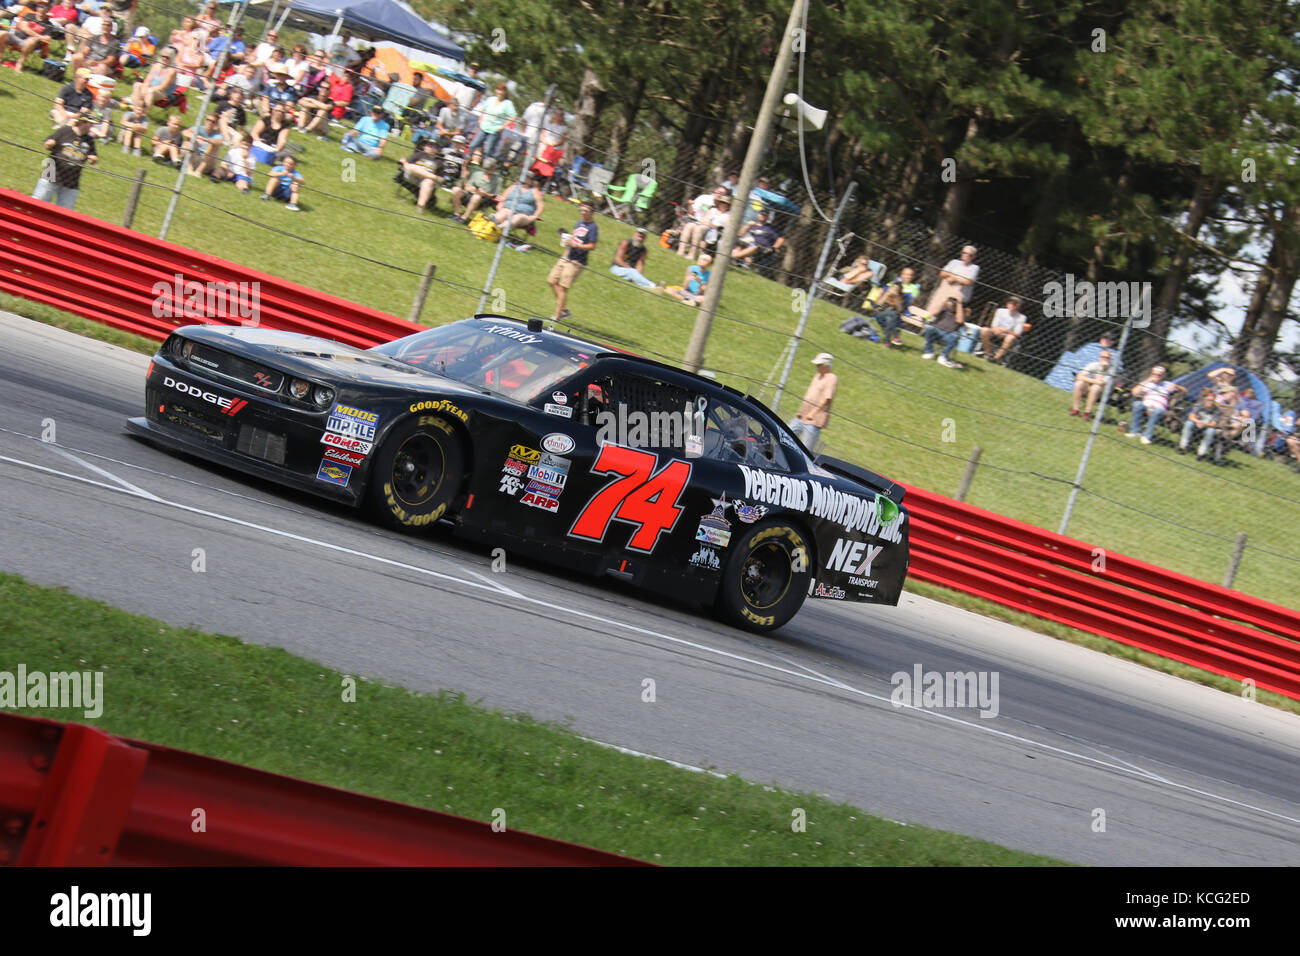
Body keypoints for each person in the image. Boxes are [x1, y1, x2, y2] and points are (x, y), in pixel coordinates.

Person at [33, 109, 98, 209]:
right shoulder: (65, 131)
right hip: (51, 177)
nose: (91, 126)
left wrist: (93, 159)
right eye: (89, 123)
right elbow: (48, 143)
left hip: (71, 183)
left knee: (65, 214)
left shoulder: (90, 141)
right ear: (82, 122)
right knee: (37, 205)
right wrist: (49, 143)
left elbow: (93, 157)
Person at [548, 201, 598, 320]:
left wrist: (576, 246)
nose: (583, 213)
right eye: (581, 210)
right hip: (567, 256)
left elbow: (592, 246)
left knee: (562, 287)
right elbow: (576, 239)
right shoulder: (579, 223)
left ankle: (557, 315)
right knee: (551, 280)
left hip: (577, 261)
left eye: (586, 211)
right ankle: (564, 310)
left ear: (592, 213)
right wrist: (567, 239)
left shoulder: (593, 227)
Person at [788, 353, 838, 450]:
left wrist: (813, 413)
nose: (817, 367)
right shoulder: (818, 375)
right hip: (801, 417)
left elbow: (827, 399)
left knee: (805, 450)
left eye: (819, 365)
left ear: (827, 365)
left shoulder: (831, 378)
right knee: (783, 435)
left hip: (813, 421)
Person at [1124, 365, 1184, 444]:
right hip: (1146, 407)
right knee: (1137, 404)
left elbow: (1184, 391)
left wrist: (1177, 386)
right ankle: (1135, 432)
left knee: (1157, 411)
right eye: (1154, 374)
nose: (1156, 376)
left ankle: (1147, 436)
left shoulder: (1167, 384)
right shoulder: (1147, 383)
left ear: (1163, 375)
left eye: (1159, 375)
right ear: (1151, 374)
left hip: (1159, 410)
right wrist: (1148, 380)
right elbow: (1134, 392)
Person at [924, 245, 980, 316]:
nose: (966, 255)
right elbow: (942, 273)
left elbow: (967, 281)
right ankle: (929, 315)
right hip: (946, 290)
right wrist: (956, 277)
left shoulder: (974, 268)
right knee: (940, 294)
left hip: (959, 294)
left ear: (973, 257)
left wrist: (953, 278)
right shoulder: (954, 262)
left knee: (949, 299)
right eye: (964, 253)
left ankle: (932, 315)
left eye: (969, 254)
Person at [470, 82, 517, 159]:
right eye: (498, 90)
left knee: (487, 150)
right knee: (473, 144)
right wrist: (481, 119)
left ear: (505, 92)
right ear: (496, 90)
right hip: (484, 127)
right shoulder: (490, 99)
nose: (500, 92)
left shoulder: (507, 103)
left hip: (495, 130)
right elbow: (483, 109)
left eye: (502, 90)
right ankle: (467, 159)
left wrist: (503, 126)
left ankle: (485, 165)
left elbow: (514, 116)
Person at [450, 151, 501, 221]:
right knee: (455, 189)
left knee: (476, 197)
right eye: (486, 168)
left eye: (490, 169)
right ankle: (456, 214)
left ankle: (463, 218)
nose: (487, 170)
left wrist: (485, 194)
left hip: (482, 200)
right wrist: (471, 189)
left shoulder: (497, 179)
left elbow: (495, 196)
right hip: (469, 194)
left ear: (494, 168)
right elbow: (466, 187)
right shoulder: (477, 174)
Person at [677, 186, 726, 258]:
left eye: (722, 194)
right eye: (719, 192)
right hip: (696, 221)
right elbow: (692, 212)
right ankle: (681, 251)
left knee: (698, 228)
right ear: (715, 190)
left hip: (709, 226)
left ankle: (692, 254)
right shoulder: (704, 198)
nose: (719, 194)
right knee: (689, 226)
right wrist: (690, 204)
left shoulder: (723, 205)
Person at [399, 139, 444, 213]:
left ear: (436, 149)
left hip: (425, 181)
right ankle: (431, 176)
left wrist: (429, 178)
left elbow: (441, 179)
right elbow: (407, 165)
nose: (427, 147)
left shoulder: (439, 162)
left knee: (428, 182)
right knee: (412, 167)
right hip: (412, 177)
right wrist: (432, 176)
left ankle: (420, 207)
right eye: (427, 145)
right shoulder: (419, 154)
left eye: (430, 146)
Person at [981, 297, 1031, 362]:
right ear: (1007, 304)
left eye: (1015, 304)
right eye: (1010, 303)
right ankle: (988, 354)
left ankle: (996, 358)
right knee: (984, 330)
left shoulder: (1021, 317)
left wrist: (1004, 331)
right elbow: (993, 326)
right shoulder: (1000, 311)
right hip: (996, 331)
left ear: (1018, 306)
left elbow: (1017, 334)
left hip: (1008, 335)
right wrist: (997, 330)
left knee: (1010, 338)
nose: (1012, 305)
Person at [609, 226, 661, 291]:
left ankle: (649, 285)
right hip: (616, 268)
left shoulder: (643, 250)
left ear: (645, 238)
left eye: (643, 236)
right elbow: (617, 259)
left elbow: (640, 265)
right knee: (632, 272)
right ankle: (653, 286)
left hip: (630, 272)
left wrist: (638, 275)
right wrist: (631, 269)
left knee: (633, 273)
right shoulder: (626, 243)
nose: (640, 237)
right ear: (635, 234)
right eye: (639, 234)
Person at [921, 296, 966, 368]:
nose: (951, 306)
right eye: (951, 304)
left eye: (954, 305)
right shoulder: (944, 310)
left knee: (955, 336)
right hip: (937, 331)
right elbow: (932, 313)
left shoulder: (960, 313)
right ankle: (929, 352)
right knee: (929, 328)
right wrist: (943, 302)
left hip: (948, 334)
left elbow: (960, 321)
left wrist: (959, 304)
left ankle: (943, 357)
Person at [131, 45, 178, 114]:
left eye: (167, 57)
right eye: (163, 56)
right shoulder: (156, 66)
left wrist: (149, 90)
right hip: (150, 88)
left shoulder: (172, 71)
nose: (164, 58)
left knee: (150, 93)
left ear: (171, 58)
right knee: (137, 85)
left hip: (162, 92)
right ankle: (136, 109)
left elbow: (163, 87)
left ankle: (144, 114)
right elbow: (147, 80)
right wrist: (145, 87)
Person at [1179, 389, 1222, 458]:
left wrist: (1204, 424)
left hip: (1207, 428)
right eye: (1208, 400)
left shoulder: (1217, 410)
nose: (1210, 402)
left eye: (1212, 401)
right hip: (1196, 425)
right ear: (1205, 399)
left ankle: (1201, 453)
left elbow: (1213, 424)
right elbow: (1191, 416)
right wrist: (1198, 422)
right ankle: (1182, 447)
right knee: (1188, 424)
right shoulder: (1199, 405)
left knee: (1211, 431)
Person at [1070, 349, 1111, 416]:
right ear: (1099, 357)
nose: (1104, 359)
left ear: (1109, 359)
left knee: (1096, 387)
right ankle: (1075, 409)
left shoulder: (1111, 370)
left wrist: (1101, 368)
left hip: (1100, 392)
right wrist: (1094, 381)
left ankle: (1087, 412)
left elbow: (1101, 383)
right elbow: (1079, 376)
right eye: (1103, 357)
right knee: (1079, 383)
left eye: (1107, 358)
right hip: (1088, 387)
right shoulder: (1092, 365)